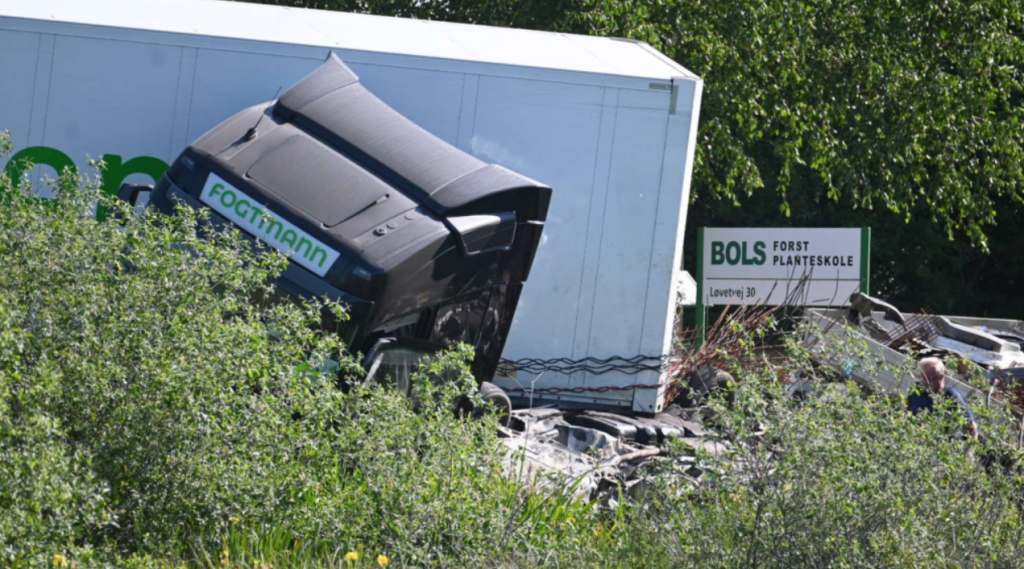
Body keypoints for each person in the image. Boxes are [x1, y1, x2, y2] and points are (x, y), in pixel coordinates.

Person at [906, 357, 979, 440]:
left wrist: (968, 451)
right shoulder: (916, 389)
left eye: (930, 379)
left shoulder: (952, 398)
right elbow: (907, 408)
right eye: (923, 378)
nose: (926, 383)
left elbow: (972, 428)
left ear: (941, 377)